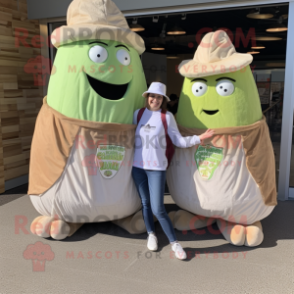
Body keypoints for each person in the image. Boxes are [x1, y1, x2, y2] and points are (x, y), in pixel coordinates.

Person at [132, 82, 214, 260]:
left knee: (158, 208)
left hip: (157, 169)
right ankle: (151, 233)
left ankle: (174, 243)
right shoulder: (137, 114)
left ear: (163, 100)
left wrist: (200, 138)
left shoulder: (166, 117)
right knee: (145, 204)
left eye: (159, 97)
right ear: (147, 97)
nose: (155, 99)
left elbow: (179, 141)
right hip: (137, 168)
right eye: (152, 96)